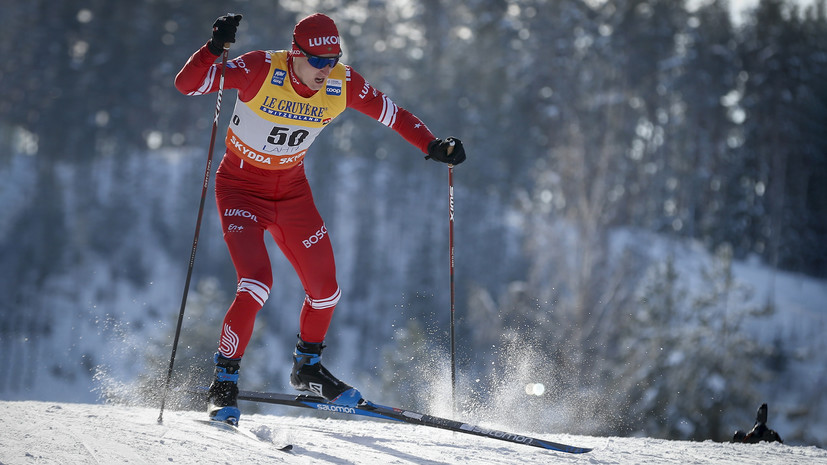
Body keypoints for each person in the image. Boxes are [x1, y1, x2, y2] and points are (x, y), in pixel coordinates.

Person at [174, 12, 466, 424]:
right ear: (295, 53)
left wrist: (433, 144)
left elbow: (395, 114)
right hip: (240, 190)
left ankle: (306, 368)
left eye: (333, 60)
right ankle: (224, 381)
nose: (325, 70)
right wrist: (213, 49)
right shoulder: (260, 68)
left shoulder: (341, 83)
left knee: (326, 290)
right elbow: (187, 85)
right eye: (317, 61)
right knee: (257, 283)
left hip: (292, 194)